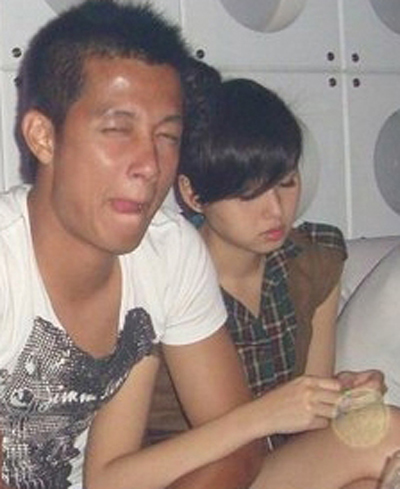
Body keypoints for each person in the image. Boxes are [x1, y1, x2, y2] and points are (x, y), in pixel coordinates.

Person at [0, 2, 399, 488]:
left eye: (167, 136)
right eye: (118, 130)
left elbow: (239, 445)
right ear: (43, 137)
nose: (149, 164)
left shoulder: (168, 253)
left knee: (384, 436)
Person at [148, 74, 400, 488]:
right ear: (192, 195)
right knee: (387, 432)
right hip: (200, 473)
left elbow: (311, 425)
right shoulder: (161, 277)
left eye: (286, 183)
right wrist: (271, 412)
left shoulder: (313, 260)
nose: (275, 211)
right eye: (248, 195)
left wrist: (339, 395)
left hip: (276, 466)